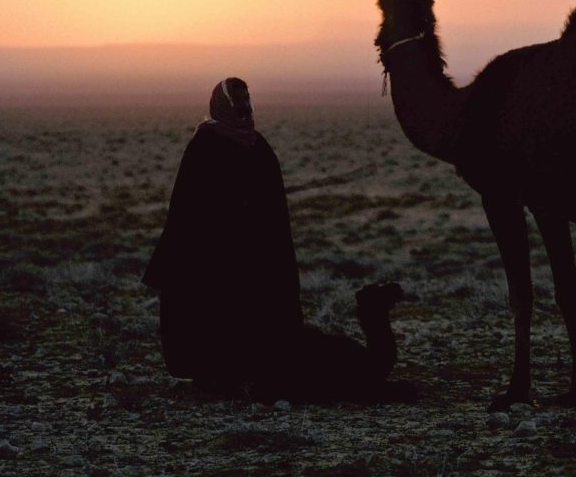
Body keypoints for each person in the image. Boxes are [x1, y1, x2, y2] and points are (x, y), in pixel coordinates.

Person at [143, 78, 408, 402]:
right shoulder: (204, 147)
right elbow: (187, 215)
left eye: (248, 103)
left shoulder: (258, 147)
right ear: (223, 106)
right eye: (238, 104)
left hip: (258, 266)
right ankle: (219, 375)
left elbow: (273, 218)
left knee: (281, 348)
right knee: (217, 325)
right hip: (212, 265)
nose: (245, 111)